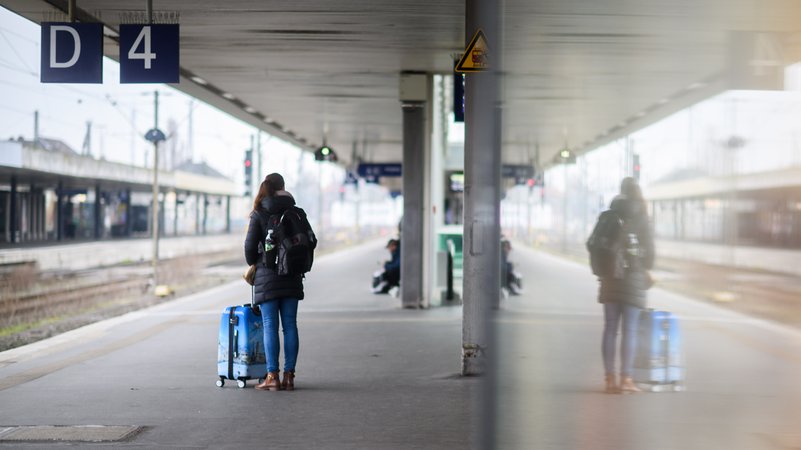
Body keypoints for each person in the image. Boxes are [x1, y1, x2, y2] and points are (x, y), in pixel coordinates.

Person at [244, 173, 304, 391]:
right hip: (292, 275)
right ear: (283, 187)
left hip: (267, 276)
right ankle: (289, 376)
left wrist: (257, 261)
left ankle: (272, 377)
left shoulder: (259, 213)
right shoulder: (296, 212)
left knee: (270, 325)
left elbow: (249, 250)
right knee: (290, 325)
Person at [598, 177, 654, 394]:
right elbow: (650, 255)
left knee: (610, 328)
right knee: (629, 329)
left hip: (610, 277)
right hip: (633, 279)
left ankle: (609, 379)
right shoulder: (642, 216)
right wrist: (644, 265)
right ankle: (626, 379)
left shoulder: (610, 214)